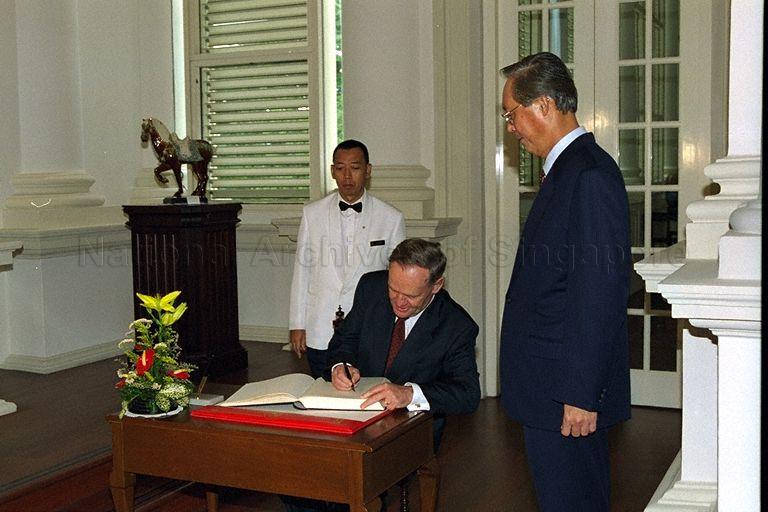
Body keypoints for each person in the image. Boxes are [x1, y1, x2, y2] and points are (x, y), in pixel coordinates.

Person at [498, 52, 631, 512]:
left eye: (511, 114)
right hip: (548, 387)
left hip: (566, 396)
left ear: (546, 106)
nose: (511, 127)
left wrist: (580, 393)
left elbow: (599, 295)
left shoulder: (589, 174)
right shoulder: (567, 169)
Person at [327, 238, 481, 448]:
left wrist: (410, 394)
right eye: (393, 290)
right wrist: (341, 366)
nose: (399, 302)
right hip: (354, 416)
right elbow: (345, 339)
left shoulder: (456, 326)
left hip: (410, 432)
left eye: (411, 295)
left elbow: (468, 394)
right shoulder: (370, 287)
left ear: (436, 285)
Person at [289, 139, 405, 378]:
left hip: (369, 330)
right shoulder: (312, 214)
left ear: (368, 170)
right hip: (320, 329)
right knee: (321, 399)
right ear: (332, 171)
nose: (347, 176)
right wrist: (297, 324)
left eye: (355, 167)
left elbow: (399, 281)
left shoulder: (391, 218)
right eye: (340, 168)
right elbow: (302, 272)